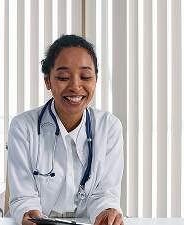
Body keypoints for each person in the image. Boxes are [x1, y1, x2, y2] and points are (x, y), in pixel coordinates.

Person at [8, 35, 124, 225]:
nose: (75, 86)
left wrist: (107, 211)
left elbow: (105, 193)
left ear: (96, 79)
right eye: (63, 77)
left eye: (86, 77)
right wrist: (31, 216)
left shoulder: (109, 127)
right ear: (47, 81)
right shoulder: (23, 127)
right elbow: (23, 196)